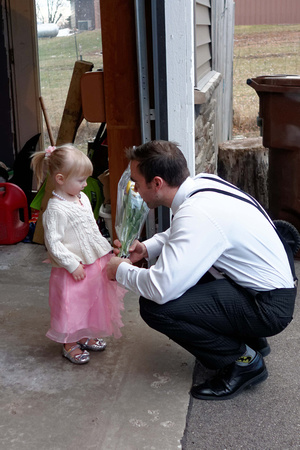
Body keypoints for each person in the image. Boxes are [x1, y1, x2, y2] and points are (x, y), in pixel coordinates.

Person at [106, 140, 297, 400]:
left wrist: (119, 271)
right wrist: (147, 248)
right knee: (188, 275)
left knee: (155, 308)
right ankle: (252, 338)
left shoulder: (196, 214)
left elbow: (161, 289)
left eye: (138, 183)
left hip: (268, 307)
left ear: (157, 183)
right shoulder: (202, 186)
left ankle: (243, 362)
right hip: (267, 287)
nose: (136, 190)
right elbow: (181, 234)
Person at [31, 144, 125, 364]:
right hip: (72, 267)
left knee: (91, 299)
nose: (85, 185)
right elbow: (53, 243)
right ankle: (69, 342)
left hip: (93, 260)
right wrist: (71, 264)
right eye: (81, 180)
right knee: (72, 304)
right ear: (61, 179)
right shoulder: (55, 209)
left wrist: (105, 248)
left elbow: (90, 227)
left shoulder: (81, 198)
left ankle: (84, 334)